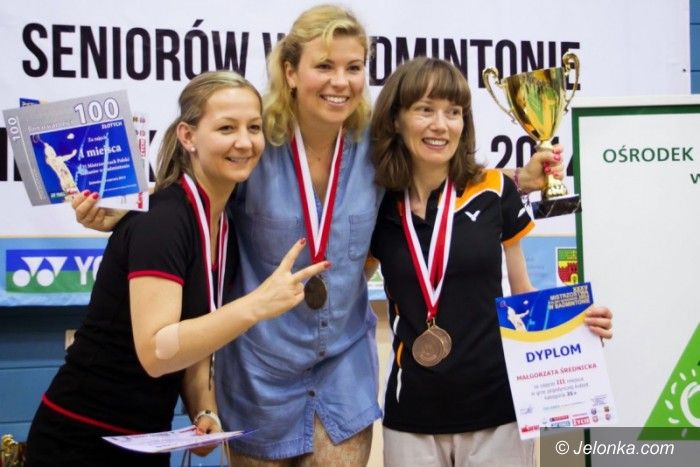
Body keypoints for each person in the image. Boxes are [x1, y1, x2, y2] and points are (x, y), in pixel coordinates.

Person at [70, 6, 566, 465]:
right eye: (324, 66)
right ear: (290, 72)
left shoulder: (376, 147)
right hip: (258, 381)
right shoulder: (254, 143)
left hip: (343, 381)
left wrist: (519, 180)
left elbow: (435, 168)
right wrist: (120, 210)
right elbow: (195, 195)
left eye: (354, 67)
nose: (340, 81)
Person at [24, 70, 328, 467]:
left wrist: (204, 409)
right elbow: (157, 350)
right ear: (188, 136)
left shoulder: (221, 223)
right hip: (81, 438)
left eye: (253, 127)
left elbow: (194, 338)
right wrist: (258, 304)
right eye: (226, 127)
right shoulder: (164, 220)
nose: (244, 141)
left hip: (146, 437)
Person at [368, 57, 613, 467]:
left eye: (453, 112)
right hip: (411, 415)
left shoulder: (494, 189)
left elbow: (523, 295)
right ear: (396, 118)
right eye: (425, 110)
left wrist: (576, 326)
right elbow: (349, 287)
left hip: (497, 412)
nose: (441, 125)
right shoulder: (376, 205)